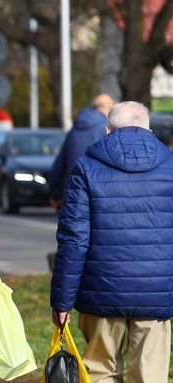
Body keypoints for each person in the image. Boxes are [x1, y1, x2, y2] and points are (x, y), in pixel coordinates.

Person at [50, 101, 173, 382]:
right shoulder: (170, 166)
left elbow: (73, 240)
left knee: (101, 371)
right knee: (151, 374)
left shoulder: (86, 168)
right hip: (156, 292)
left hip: (100, 291)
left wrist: (62, 300)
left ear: (107, 131)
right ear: (149, 129)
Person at [48, 93, 115, 207]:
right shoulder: (107, 128)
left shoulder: (74, 129)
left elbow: (60, 163)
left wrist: (55, 193)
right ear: (107, 108)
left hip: (73, 190)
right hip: (100, 190)